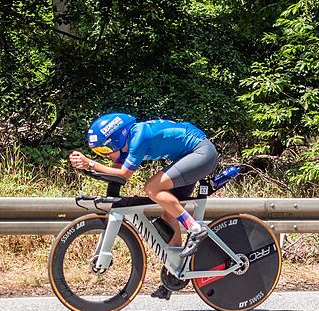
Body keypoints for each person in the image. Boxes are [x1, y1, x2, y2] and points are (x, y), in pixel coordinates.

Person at [69, 113, 219, 300]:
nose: (104, 154)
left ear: (117, 138)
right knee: (168, 215)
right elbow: (114, 172)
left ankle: (194, 228)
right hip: (187, 156)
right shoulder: (127, 143)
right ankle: (174, 275)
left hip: (201, 153)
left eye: (103, 148)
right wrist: (88, 167)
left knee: (152, 188)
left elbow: (123, 174)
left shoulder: (139, 136)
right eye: (99, 152)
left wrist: (90, 163)